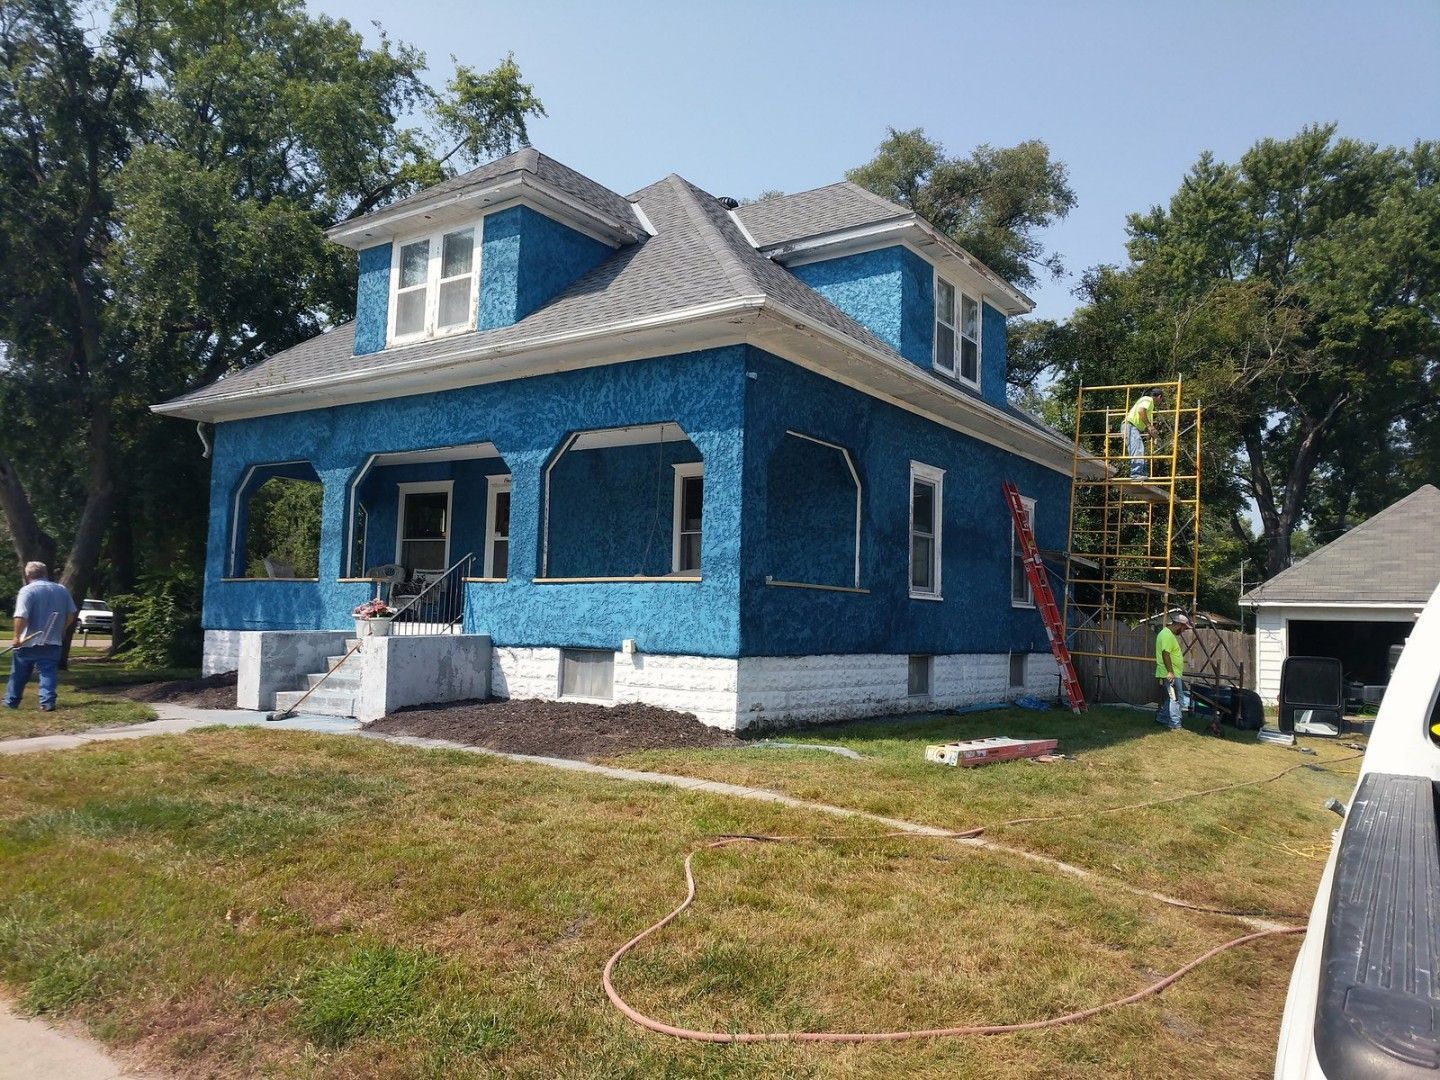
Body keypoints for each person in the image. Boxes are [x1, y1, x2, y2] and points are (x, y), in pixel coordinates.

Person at [5, 562, 77, 712]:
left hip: (28, 642)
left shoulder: (27, 591)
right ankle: (47, 702)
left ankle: (11, 702)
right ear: (45, 573)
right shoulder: (62, 590)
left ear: (28, 575)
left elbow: (21, 616)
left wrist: (16, 637)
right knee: (48, 672)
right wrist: (61, 630)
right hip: (53, 640)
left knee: (19, 673)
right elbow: (70, 615)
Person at [1155, 611, 1191, 729]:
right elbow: (1165, 653)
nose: (1183, 631)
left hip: (1173, 672)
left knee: (1173, 697)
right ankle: (1175, 724)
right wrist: (1170, 672)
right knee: (1176, 698)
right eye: (1184, 628)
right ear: (1179, 625)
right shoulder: (1166, 635)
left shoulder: (1168, 634)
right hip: (1170, 673)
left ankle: (1162, 718)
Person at [1122, 387, 1164, 480]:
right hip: (1129, 426)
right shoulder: (1148, 400)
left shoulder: (1149, 404)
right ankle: (1136, 474)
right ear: (1159, 397)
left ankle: (1141, 474)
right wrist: (1149, 426)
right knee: (1138, 448)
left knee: (1140, 448)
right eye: (1161, 400)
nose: (1160, 403)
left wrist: (1155, 437)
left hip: (1132, 427)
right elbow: (1141, 411)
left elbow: (1144, 423)